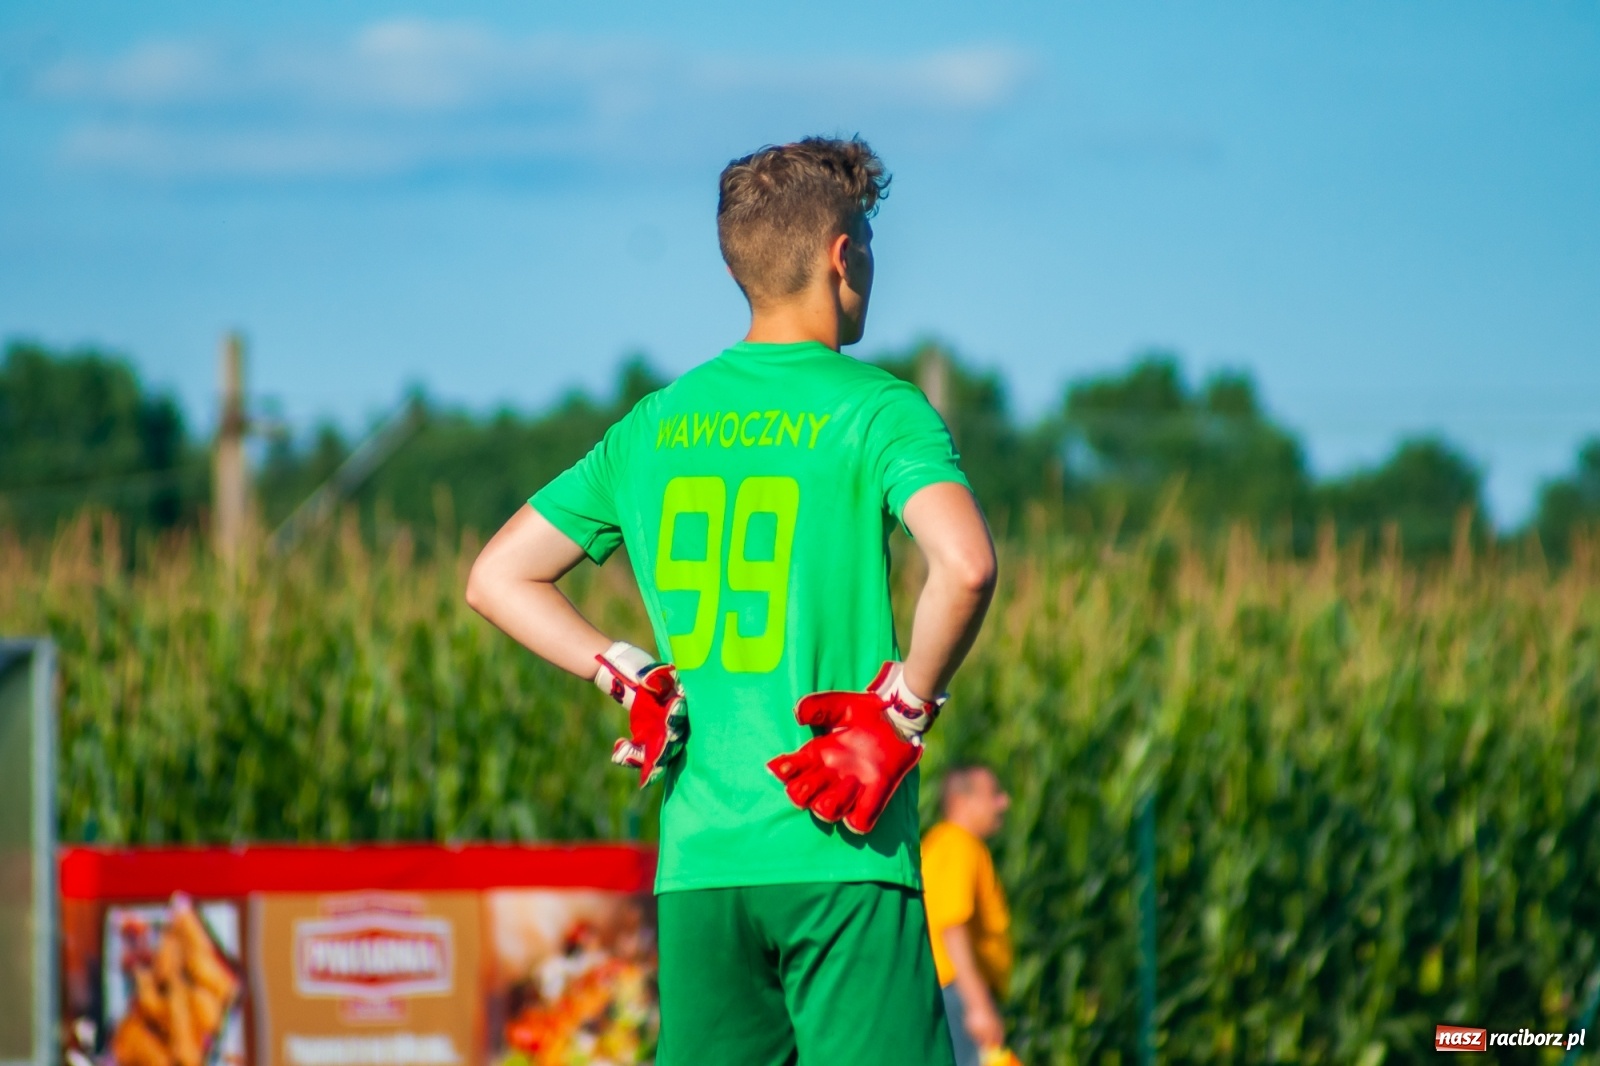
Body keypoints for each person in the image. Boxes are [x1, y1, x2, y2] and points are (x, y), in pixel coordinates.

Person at [466, 136, 997, 1066]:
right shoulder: (877, 409)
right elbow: (965, 567)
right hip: (842, 852)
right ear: (842, 256)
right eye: (868, 240)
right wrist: (904, 712)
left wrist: (624, 669)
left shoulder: (653, 427)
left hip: (701, 868)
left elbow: (497, 578)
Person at [922, 763, 1014, 1066]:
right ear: (961, 801)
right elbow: (953, 926)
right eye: (993, 795)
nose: (1004, 802)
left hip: (948, 991)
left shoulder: (939, 843)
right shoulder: (958, 845)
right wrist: (978, 1006)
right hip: (957, 994)